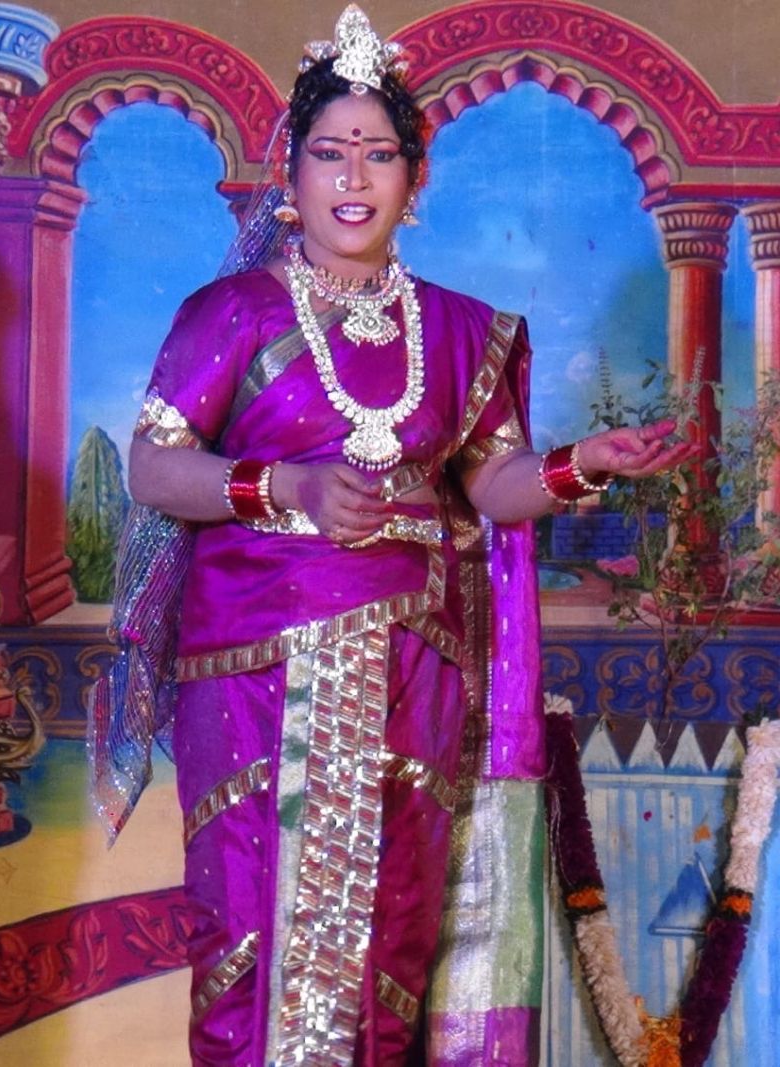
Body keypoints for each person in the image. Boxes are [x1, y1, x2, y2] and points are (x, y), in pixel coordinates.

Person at [89, 6, 694, 1065]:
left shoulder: (459, 328)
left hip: (414, 673)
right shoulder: (231, 312)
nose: (353, 176)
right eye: (330, 152)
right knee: (246, 938)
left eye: (378, 152)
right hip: (255, 673)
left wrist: (582, 463)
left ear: (415, 179)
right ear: (292, 172)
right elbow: (153, 467)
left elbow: (493, 484)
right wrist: (286, 484)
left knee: (391, 942)